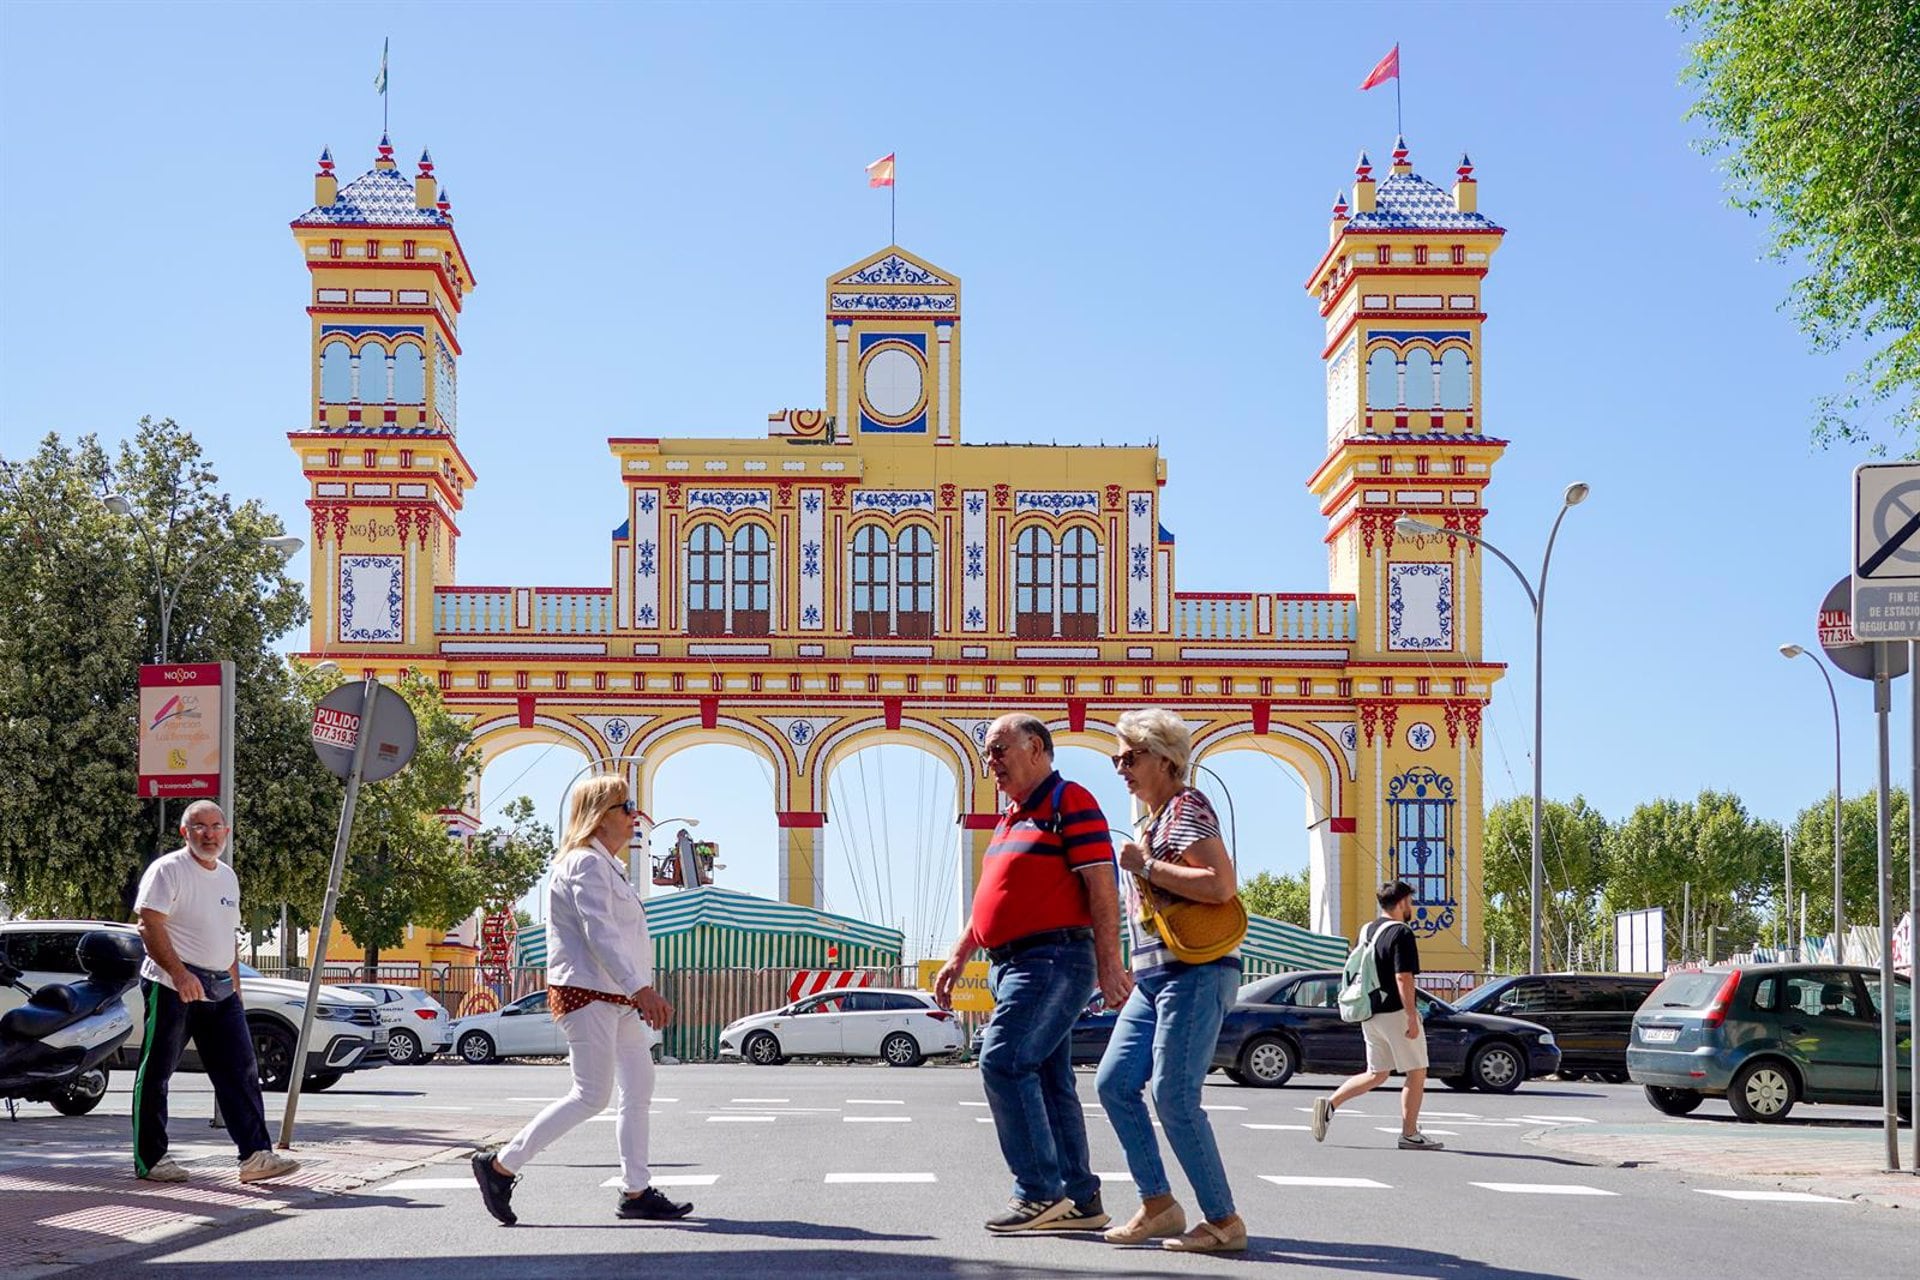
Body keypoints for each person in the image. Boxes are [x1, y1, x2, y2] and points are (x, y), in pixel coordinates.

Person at [934, 713, 1131, 1234]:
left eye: (1000, 749)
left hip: (1052, 959)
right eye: (987, 752)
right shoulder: (1011, 817)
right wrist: (960, 956)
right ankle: (1080, 1200)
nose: (990, 761)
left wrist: (1110, 963)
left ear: (1039, 749)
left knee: (1003, 1062)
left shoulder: (1070, 802)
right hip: (1014, 963)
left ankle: (1039, 1193)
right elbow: (992, 902)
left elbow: (1102, 886)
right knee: (1047, 1077)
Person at [472, 775, 690, 1225]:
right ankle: (499, 1166)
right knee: (591, 1095)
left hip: (617, 994)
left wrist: (636, 988)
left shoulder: (608, 866)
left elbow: (623, 939)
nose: (635, 815)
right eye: (625, 806)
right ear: (599, 815)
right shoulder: (583, 863)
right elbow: (600, 934)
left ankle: (635, 1192)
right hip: (589, 990)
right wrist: (641, 988)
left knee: (639, 1087)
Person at [1095, 708, 1247, 1253]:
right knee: (1113, 1083)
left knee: (1174, 1097)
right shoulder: (1152, 820)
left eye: (1130, 757)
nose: (1121, 768)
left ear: (1165, 758)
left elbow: (1220, 884)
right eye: (1118, 758)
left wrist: (1145, 866)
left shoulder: (1187, 806)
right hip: (1157, 976)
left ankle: (1224, 1221)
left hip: (1197, 972)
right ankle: (1158, 1204)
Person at [132, 801, 300, 1184]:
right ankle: (151, 1159)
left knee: (241, 1070)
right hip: (170, 985)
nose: (208, 834)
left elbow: (227, 937)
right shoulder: (168, 870)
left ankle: (256, 1156)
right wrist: (179, 973)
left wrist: (235, 987)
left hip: (220, 990)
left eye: (215, 826)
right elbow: (148, 924)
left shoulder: (227, 877)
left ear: (226, 832)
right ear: (184, 832)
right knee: (157, 1072)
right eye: (199, 826)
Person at [1311, 880, 1443, 1150]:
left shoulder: (1367, 930)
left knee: (1377, 1073)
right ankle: (1409, 1133)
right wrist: (1411, 1015)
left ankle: (1330, 1104)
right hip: (1395, 1011)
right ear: (1403, 902)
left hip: (1370, 1012)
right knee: (1417, 1072)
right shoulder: (1401, 933)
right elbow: (1403, 977)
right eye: (1411, 901)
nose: (1412, 907)